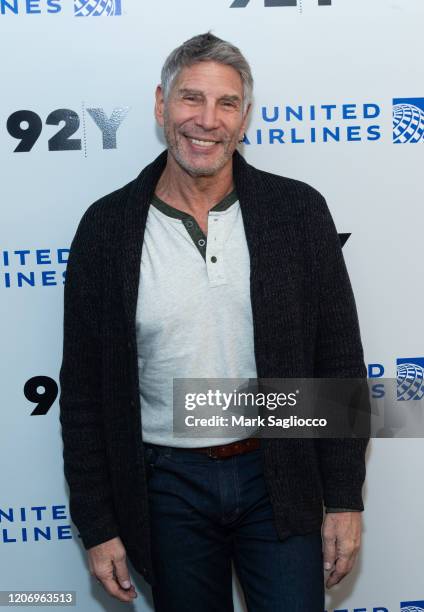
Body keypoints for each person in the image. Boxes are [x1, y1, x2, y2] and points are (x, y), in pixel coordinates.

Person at [59, 32, 369, 611]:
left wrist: (345, 499)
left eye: (226, 104)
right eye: (190, 99)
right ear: (160, 105)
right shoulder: (105, 230)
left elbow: (339, 363)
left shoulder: (298, 212)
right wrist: (98, 525)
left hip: (277, 476)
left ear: (245, 116)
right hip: (165, 488)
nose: (207, 120)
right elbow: (82, 395)